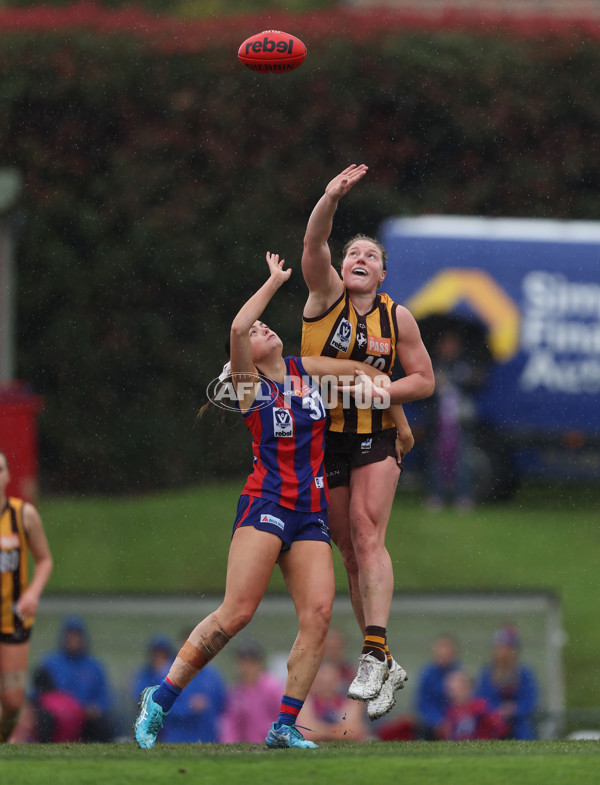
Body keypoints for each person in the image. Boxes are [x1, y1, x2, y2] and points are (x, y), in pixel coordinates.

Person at [134, 252, 406, 751]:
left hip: (311, 512)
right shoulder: (250, 387)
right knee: (236, 613)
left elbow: (361, 374)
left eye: (267, 327)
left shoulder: (308, 371)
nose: (264, 329)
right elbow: (238, 328)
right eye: (261, 331)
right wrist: (275, 281)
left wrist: (400, 423)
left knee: (319, 614)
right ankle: (161, 698)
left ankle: (283, 726)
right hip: (266, 504)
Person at [300, 164, 435, 719]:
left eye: (370, 256)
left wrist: (383, 396)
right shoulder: (324, 295)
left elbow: (423, 379)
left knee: (365, 530)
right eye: (352, 252)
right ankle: (384, 657)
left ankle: (373, 651)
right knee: (350, 555)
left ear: (382, 273)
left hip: (375, 438)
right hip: (325, 440)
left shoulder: (396, 317)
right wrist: (329, 197)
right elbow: (313, 241)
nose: (359, 259)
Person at [0, 450, 53, 742]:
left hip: (14, 619)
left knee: (12, 702)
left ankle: (4, 745)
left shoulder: (24, 515)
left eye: (0, 469)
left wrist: (32, 592)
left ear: (8, 475)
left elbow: (44, 560)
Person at [422, 329, 482, 512]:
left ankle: (464, 496)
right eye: (445, 344)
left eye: (452, 344)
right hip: (438, 422)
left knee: (464, 460)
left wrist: (462, 378)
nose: (448, 348)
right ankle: (435, 495)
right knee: (435, 459)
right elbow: (422, 391)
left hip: (461, 422)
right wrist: (433, 384)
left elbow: (477, 382)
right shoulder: (431, 364)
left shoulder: (465, 364)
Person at [38, 615, 116, 742]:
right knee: (44, 720)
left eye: (77, 636)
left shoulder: (94, 666)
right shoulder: (50, 663)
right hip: (58, 717)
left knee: (103, 724)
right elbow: (39, 694)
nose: (73, 640)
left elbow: (105, 696)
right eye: (70, 636)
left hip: (85, 718)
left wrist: (96, 707)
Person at [475, 624, 538, 740]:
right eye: (500, 648)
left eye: (508, 648)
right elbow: (482, 700)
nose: (503, 653)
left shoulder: (524, 673)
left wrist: (515, 709)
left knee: (524, 732)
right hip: (492, 722)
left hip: (519, 722)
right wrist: (497, 710)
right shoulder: (487, 673)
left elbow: (530, 700)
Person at [219, 641, 283, 744]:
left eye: (250, 663)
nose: (245, 668)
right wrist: (229, 743)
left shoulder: (272, 687)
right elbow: (232, 723)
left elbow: (286, 716)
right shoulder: (236, 690)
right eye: (242, 663)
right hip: (247, 747)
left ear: (258, 664)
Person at [297, 661, 367, 742]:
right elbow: (307, 732)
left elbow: (355, 731)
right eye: (322, 682)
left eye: (331, 682)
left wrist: (321, 730)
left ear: (338, 682)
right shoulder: (306, 702)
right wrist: (340, 732)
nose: (326, 687)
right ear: (313, 682)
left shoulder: (349, 702)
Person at [439, 669, 508, 741]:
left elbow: (500, 727)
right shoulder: (449, 710)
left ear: (468, 688)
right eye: (450, 690)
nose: (452, 694)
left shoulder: (480, 706)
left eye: (456, 690)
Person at [415, 634, 462, 740]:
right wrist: (438, 721)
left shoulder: (460, 672)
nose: (444, 652)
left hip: (456, 720)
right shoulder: (427, 674)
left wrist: (452, 720)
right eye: (442, 648)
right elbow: (423, 704)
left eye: (447, 648)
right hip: (432, 724)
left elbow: (465, 701)